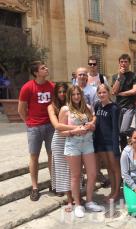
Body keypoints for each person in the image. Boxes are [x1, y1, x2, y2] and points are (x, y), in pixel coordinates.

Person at [59, 85, 103, 218]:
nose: (76, 97)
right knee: (76, 176)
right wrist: (74, 131)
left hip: (88, 144)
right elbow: (61, 132)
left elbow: (93, 126)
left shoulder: (88, 108)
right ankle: (77, 204)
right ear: (70, 96)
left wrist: (91, 126)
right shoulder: (65, 110)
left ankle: (89, 201)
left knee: (92, 173)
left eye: (78, 94)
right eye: (74, 95)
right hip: (73, 145)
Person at [18, 61, 55, 201]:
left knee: (52, 155)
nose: (46, 69)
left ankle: (54, 183)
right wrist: (28, 122)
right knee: (34, 156)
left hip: (50, 126)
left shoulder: (52, 86)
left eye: (46, 67)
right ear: (36, 72)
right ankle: (35, 187)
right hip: (34, 127)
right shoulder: (27, 87)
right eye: (43, 68)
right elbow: (21, 109)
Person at [48, 83, 86, 211]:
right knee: (64, 171)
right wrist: (77, 128)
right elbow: (58, 127)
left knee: (75, 171)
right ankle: (70, 200)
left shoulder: (76, 105)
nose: (62, 94)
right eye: (59, 92)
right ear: (55, 94)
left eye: (64, 91)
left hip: (74, 140)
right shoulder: (52, 107)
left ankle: (77, 197)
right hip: (60, 141)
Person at [94, 84, 121, 201]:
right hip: (100, 142)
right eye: (99, 93)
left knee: (115, 167)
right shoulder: (97, 105)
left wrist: (116, 146)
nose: (102, 95)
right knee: (109, 168)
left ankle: (116, 192)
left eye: (104, 92)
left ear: (109, 93)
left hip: (111, 142)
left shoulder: (114, 108)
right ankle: (112, 191)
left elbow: (116, 128)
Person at [112, 54, 136, 149]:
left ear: (129, 63)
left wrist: (121, 94)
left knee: (124, 129)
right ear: (119, 63)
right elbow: (114, 91)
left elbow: (134, 90)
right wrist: (119, 76)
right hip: (118, 107)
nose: (123, 64)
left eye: (126, 62)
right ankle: (124, 152)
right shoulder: (116, 76)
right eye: (121, 62)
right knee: (121, 133)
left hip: (129, 106)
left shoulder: (134, 76)